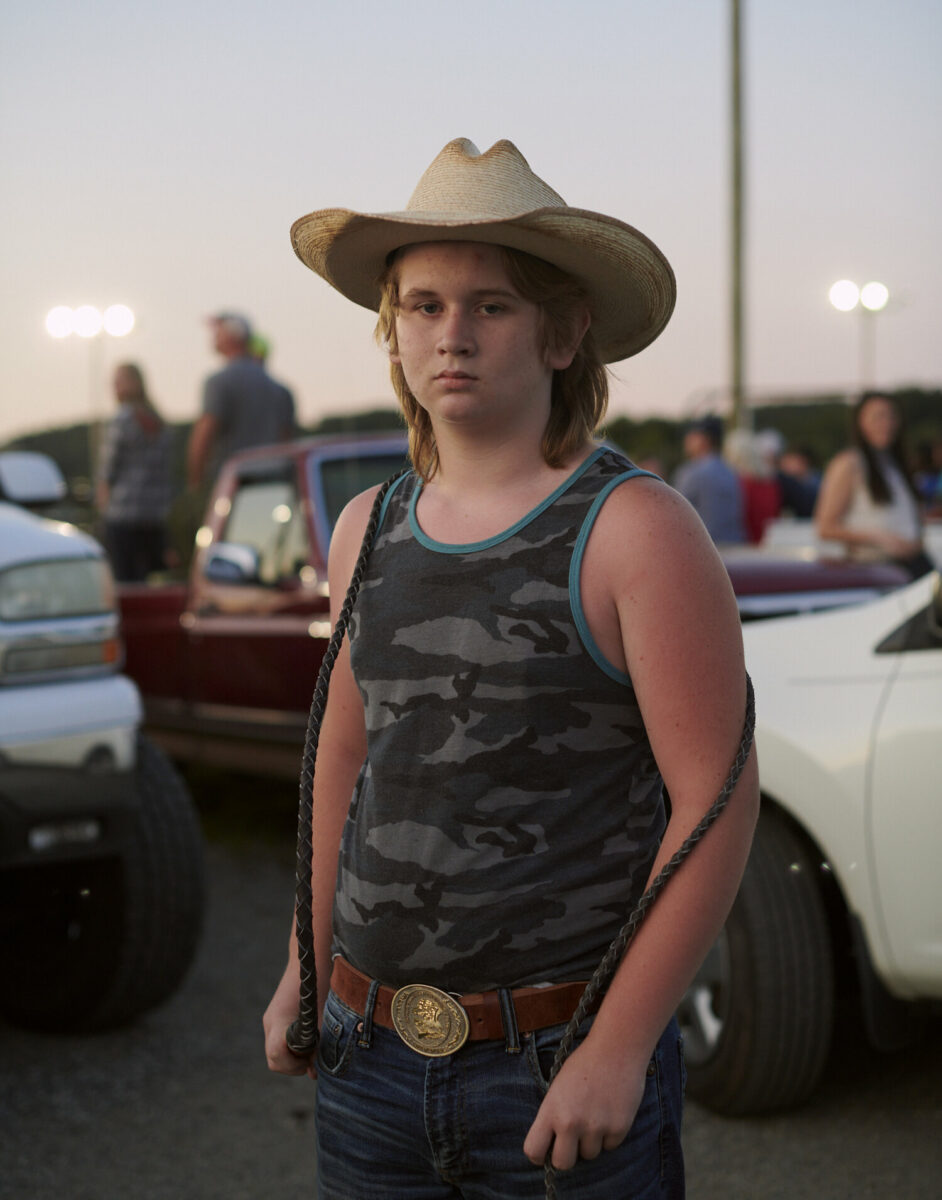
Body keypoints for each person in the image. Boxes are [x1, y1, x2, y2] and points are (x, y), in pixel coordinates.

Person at [263, 137, 759, 1198]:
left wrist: (619, 1048)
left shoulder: (636, 529)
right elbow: (343, 763)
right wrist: (306, 963)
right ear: (390, 331)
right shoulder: (365, 528)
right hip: (367, 1056)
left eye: (491, 305)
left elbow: (714, 803)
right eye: (424, 305)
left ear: (566, 330)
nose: (453, 335)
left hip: (555, 1063)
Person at [815, 391, 933, 578]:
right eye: (878, 416)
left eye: (892, 416)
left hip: (915, 563)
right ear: (860, 421)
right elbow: (826, 527)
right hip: (878, 568)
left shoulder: (897, 465)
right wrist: (880, 538)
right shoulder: (850, 463)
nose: (886, 424)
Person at [186, 312, 296, 488]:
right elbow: (286, 440)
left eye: (218, 331)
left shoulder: (218, 382)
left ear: (232, 336)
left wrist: (195, 483)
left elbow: (205, 433)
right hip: (275, 482)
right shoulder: (281, 389)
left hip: (234, 484)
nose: (213, 336)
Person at [95, 362, 171, 582]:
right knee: (153, 579)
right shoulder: (159, 422)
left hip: (123, 515)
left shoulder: (122, 419)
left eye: (118, 382)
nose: (114, 388)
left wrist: (103, 511)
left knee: (124, 581)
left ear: (134, 384)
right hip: (155, 516)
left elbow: (107, 470)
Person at [671, 414, 746, 545]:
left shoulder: (691, 472)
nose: (686, 440)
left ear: (703, 439)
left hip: (702, 549)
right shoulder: (730, 472)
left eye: (692, 435)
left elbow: (673, 515)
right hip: (734, 546)